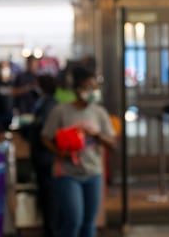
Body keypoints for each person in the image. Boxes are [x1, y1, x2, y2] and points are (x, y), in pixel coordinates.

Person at [41, 67, 116, 237]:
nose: (93, 92)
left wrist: (96, 135)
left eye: (95, 88)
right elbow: (45, 137)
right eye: (89, 87)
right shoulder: (60, 111)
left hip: (93, 172)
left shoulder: (99, 112)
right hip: (68, 174)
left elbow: (112, 143)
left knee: (89, 223)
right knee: (74, 220)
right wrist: (59, 152)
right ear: (77, 89)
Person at [28, 75, 58, 237]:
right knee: (46, 196)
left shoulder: (49, 105)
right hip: (42, 157)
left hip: (47, 158)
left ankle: (51, 231)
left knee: (50, 197)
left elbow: (45, 132)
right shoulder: (45, 103)